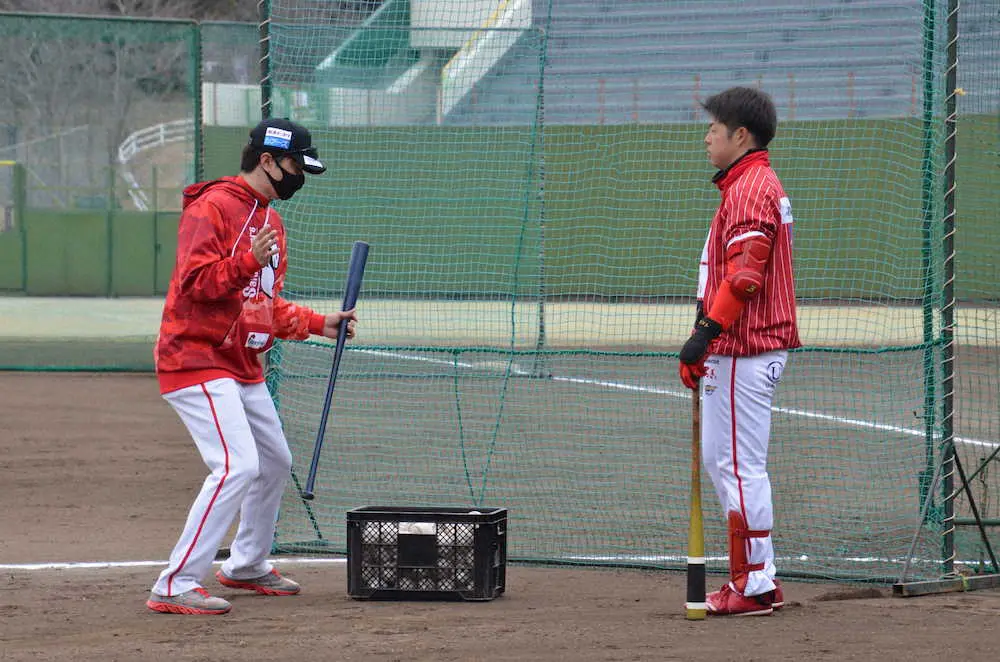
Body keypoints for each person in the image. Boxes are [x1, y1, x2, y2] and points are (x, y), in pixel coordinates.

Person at [146, 118, 357, 615]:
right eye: (295, 166)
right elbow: (194, 283)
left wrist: (319, 323)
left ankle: (245, 564)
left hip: (240, 364)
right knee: (236, 466)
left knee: (274, 462)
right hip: (194, 357)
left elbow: (263, 304)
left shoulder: (271, 222)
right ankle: (175, 583)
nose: (300, 177)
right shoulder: (212, 207)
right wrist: (246, 261)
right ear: (267, 161)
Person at [678, 87, 800, 616]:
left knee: (737, 465)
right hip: (739, 348)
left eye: (714, 128)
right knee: (726, 461)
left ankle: (751, 585)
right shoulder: (746, 184)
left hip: (744, 348)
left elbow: (745, 277)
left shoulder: (751, 188)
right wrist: (705, 336)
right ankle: (760, 579)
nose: (707, 137)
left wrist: (704, 335)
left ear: (741, 135)